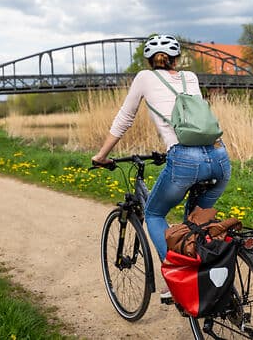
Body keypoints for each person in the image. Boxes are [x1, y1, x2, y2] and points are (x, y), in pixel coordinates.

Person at [92, 34, 231, 300]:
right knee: (195, 223)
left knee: (154, 214)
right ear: (176, 59)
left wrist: (101, 156)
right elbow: (197, 122)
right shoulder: (190, 77)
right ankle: (206, 275)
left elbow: (125, 119)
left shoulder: (144, 77)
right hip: (220, 157)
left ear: (148, 60)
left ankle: (178, 276)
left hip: (185, 159)